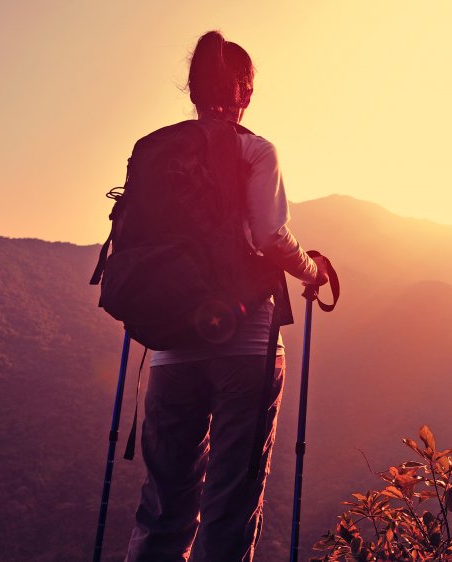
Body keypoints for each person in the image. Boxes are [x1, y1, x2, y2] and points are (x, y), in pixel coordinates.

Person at [124, 30, 328, 562]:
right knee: (230, 506)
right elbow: (269, 237)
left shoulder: (155, 151)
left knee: (165, 507)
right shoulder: (255, 149)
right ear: (246, 94)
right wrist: (312, 271)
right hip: (247, 346)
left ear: (191, 90)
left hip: (169, 345)